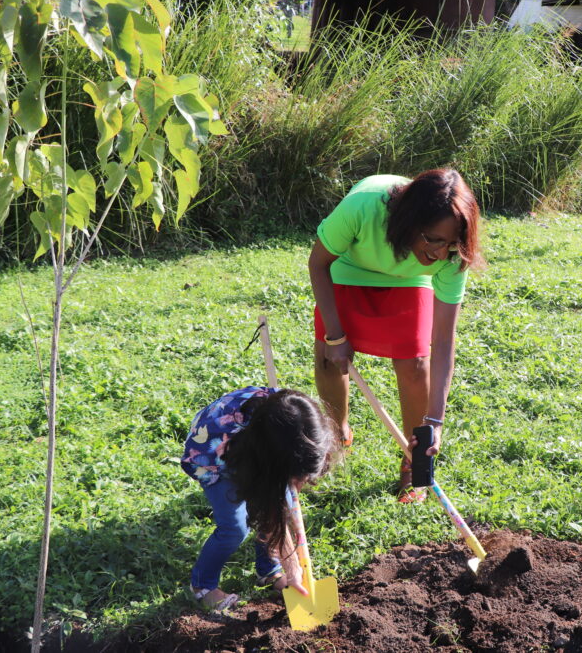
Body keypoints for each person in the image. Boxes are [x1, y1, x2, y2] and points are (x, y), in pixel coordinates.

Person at [309, 169, 483, 503]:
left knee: (416, 362)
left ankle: (414, 462)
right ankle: (338, 432)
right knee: (329, 359)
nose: (440, 253)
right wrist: (335, 335)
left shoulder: (450, 255)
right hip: (348, 268)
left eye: (450, 244)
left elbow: (443, 341)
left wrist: (436, 423)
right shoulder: (362, 206)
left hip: (410, 278)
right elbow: (318, 263)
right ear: (410, 222)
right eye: (433, 239)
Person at [181, 386, 341, 611]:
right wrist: (293, 566)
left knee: (280, 506)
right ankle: (202, 586)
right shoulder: (246, 442)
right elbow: (269, 509)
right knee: (234, 529)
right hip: (214, 457)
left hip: (265, 451)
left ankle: (268, 569)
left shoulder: (294, 419)